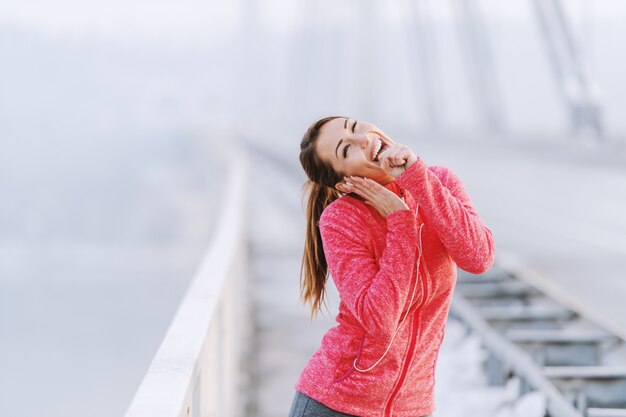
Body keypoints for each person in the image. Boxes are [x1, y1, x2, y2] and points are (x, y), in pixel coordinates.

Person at [290, 116, 496, 417]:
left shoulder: (440, 182)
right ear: (346, 181)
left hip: (412, 407)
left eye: (355, 126)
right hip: (335, 404)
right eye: (346, 150)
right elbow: (380, 319)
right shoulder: (342, 220)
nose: (361, 139)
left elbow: (479, 258)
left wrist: (416, 177)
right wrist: (400, 224)